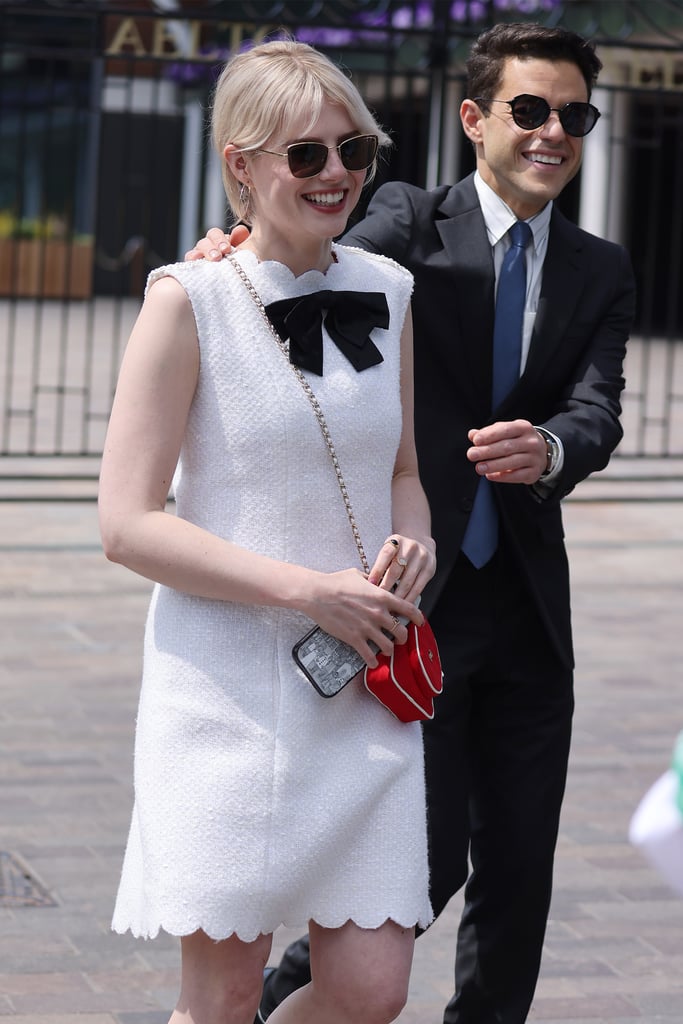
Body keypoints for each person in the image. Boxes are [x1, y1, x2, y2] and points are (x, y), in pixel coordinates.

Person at [188, 21, 637, 1024]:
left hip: (526, 611)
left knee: (518, 874)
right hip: (412, 608)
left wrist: (554, 448)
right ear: (474, 119)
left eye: (572, 114)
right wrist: (233, 250)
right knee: (418, 867)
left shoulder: (600, 268)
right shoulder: (404, 219)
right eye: (529, 109)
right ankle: (274, 1003)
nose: (550, 132)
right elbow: (309, 251)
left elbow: (596, 405)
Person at [99, 38, 438, 1024]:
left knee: (369, 993)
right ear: (239, 166)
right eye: (304, 155)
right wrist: (305, 588)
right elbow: (124, 524)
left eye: (353, 148)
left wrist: (408, 541)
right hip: (226, 696)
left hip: (358, 689)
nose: (335, 173)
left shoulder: (390, 289)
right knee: (223, 999)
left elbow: (406, 470)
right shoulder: (186, 301)